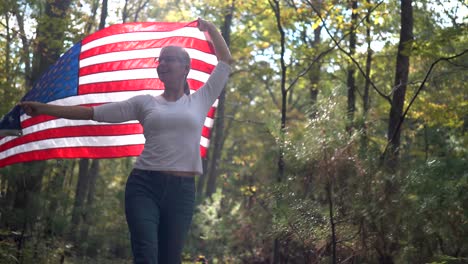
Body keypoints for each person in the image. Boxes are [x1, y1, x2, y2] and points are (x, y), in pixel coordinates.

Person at [19, 18, 232, 264]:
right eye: (160, 60)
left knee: (169, 259)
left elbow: (225, 61)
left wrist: (211, 29)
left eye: (169, 58)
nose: (162, 63)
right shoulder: (144, 103)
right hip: (144, 186)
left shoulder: (200, 100)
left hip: (182, 192)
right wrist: (45, 109)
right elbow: (92, 113)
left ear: (186, 67)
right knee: (145, 253)